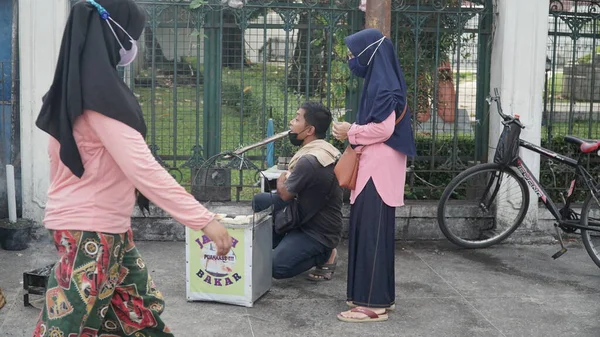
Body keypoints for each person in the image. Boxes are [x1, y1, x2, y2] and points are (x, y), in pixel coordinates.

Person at [32, 1, 231, 336]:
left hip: (99, 228)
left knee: (139, 312)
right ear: (115, 36)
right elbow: (144, 170)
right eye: (134, 36)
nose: (134, 47)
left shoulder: (70, 95)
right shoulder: (102, 104)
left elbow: (60, 165)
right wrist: (204, 220)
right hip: (91, 234)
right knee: (65, 326)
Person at [332, 28, 417, 323]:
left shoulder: (383, 86)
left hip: (377, 173)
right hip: (375, 168)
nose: (352, 59)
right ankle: (380, 298)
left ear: (370, 53)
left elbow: (384, 130)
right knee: (373, 235)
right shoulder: (382, 81)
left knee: (371, 235)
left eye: (355, 54)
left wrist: (350, 131)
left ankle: (372, 306)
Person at [252, 102, 343, 281]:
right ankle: (282, 241)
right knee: (260, 201)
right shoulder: (325, 149)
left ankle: (326, 254)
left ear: (309, 130)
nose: (291, 123)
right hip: (304, 213)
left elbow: (285, 193)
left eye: (297, 119)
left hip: (317, 231)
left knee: (275, 267)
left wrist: (281, 179)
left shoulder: (309, 160)